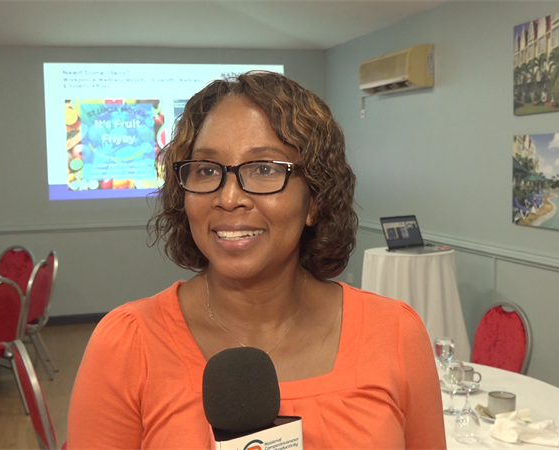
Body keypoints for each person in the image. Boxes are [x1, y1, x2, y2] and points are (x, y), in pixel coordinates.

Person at [67, 71, 445, 449]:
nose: (229, 198)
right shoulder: (127, 345)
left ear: (315, 200)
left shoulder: (395, 333)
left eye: (264, 169)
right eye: (206, 170)